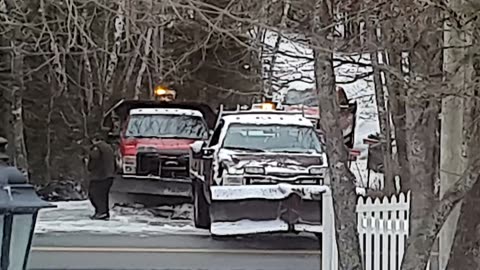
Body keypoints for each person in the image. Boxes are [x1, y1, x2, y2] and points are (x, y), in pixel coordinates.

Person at [86, 132, 116, 220]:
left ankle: (100, 212)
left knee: (94, 194)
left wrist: (89, 166)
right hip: (109, 175)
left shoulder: (97, 148)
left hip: (99, 176)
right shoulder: (109, 148)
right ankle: (104, 212)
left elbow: (94, 159)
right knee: (104, 195)